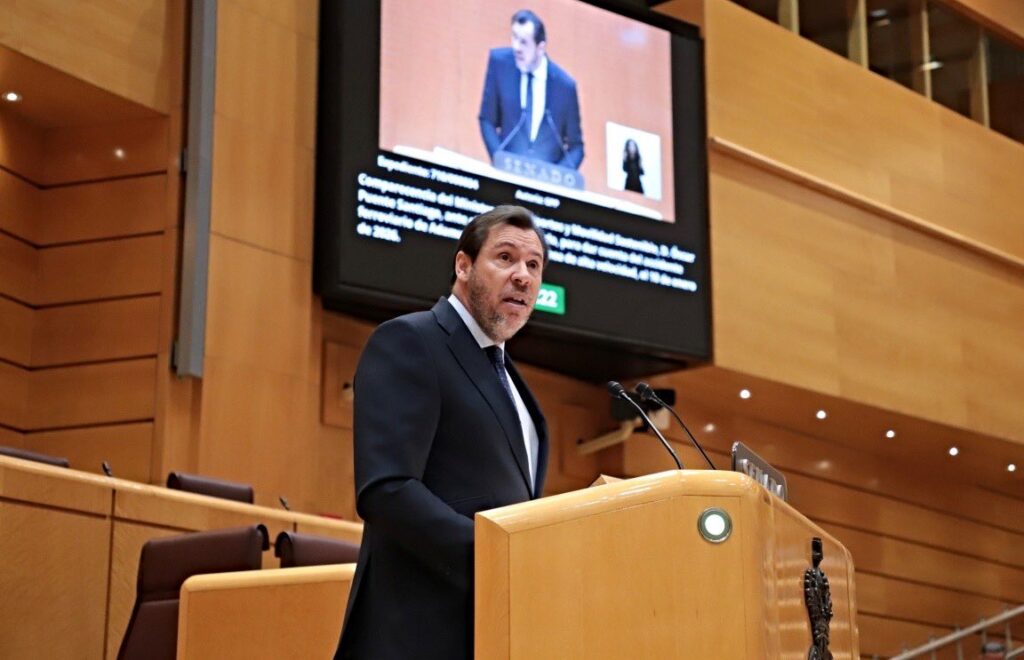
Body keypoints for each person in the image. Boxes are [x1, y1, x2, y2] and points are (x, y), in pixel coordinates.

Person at [335, 205, 550, 660]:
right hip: (415, 637)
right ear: (463, 265)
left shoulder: (511, 381)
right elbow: (387, 489)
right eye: (505, 258)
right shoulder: (412, 341)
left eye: (534, 265)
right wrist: (498, 557)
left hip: (492, 634)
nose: (523, 276)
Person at [479, 10, 584, 169]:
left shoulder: (565, 87)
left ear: (540, 48)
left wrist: (557, 176)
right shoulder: (499, 63)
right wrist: (499, 159)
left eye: (524, 42)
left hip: (546, 181)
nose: (516, 47)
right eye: (514, 37)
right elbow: (487, 119)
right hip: (505, 175)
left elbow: (576, 147)